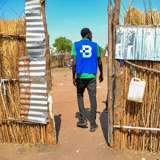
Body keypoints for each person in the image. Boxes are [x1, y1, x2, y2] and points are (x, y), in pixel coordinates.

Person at [71, 28, 103, 132]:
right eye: (91, 33)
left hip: (80, 76)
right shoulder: (95, 45)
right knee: (93, 98)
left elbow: (74, 63)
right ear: (88, 34)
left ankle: (83, 120)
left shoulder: (75, 45)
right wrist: (101, 73)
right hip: (92, 77)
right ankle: (93, 124)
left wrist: (73, 76)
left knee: (80, 96)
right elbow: (99, 61)